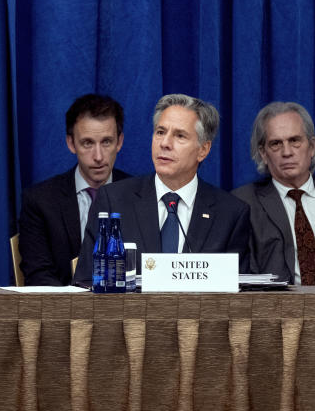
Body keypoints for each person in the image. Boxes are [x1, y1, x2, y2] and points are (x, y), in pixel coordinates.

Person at [74, 93, 251, 285]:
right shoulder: (114, 200)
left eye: (180, 135)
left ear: (203, 150)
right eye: (160, 132)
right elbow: (85, 282)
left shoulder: (231, 214)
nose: (165, 143)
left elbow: (238, 295)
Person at [18, 94, 132, 285]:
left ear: (119, 142)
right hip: (62, 311)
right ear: (71, 143)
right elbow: (38, 275)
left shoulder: (139, 194)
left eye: (106, 142)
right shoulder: (40, 201)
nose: (98, 156)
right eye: (87, 143)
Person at [232, 102, 315, 284]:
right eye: (276, 144)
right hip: (279, 308)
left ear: (312, 146)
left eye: (294, 141)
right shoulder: (243, 203)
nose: (287, 152)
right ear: (263, 153)